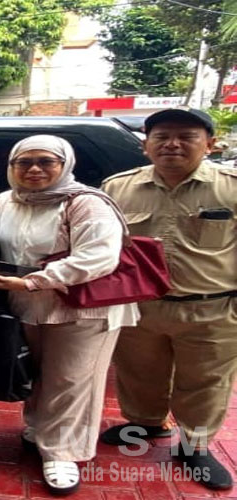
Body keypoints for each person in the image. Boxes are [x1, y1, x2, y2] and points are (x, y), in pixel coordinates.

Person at [0, 135, 139, 495]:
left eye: (46, 161)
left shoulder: (85, 202)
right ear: (11, 166)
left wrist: (35, 280)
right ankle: (39, 429)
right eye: (24, 162)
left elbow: (98, 257)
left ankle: (63, 453)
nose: (34, 169)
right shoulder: (3, 202)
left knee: (72, 380)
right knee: (39, 373)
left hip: (84, 307)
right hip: (29, 305)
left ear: (65, 164)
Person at [99, 108, 237, 490]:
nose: (172, 144)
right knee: (139, 372)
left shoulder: (230, 187)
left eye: (186, 136)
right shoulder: (118, 188)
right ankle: (145, 424)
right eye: (161, 137)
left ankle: (194, 447)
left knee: (205, 382)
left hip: (211, 308)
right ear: (146, 145)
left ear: (209, 144)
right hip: (141, 307)